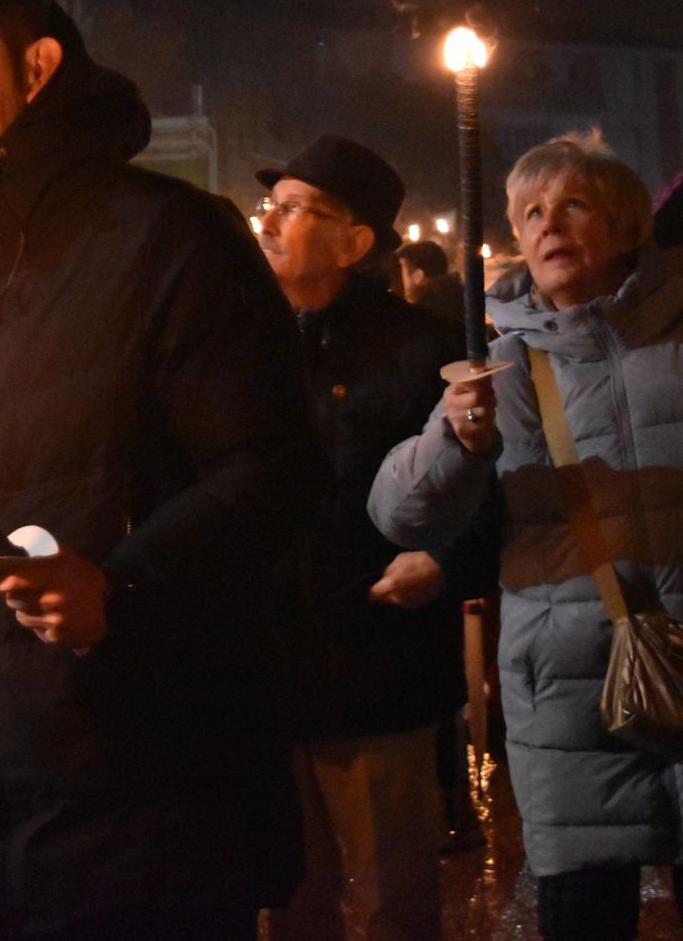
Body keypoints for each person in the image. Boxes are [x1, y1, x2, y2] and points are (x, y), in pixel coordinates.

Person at [0, 0, 325, 940]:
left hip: (143, 802)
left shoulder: (168, 237)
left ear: (36, 68)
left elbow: (275, 470)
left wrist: (121, 589)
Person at [371, 130, 683, 941]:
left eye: (574, 205)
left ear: (623, 228)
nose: (549, 225)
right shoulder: (498, 364)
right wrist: (456, 441)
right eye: (532, 211)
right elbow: (399, 514)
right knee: (584, 914)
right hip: (567, 699)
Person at [254, 136, 497, 941]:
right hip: (271, 667)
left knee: (389, 900)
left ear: (356, 242)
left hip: (378, 669)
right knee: (290, 898)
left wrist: (441, 560)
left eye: (295, 208)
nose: (271, 220)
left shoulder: (419, 348)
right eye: (272, 204)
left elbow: (484, 493)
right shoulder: (240, 339)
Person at [396, 239, 464, 330]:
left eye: (401, 271)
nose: (397, 278)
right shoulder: (456, 301)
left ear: (418, 276)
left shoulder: (426, 317)